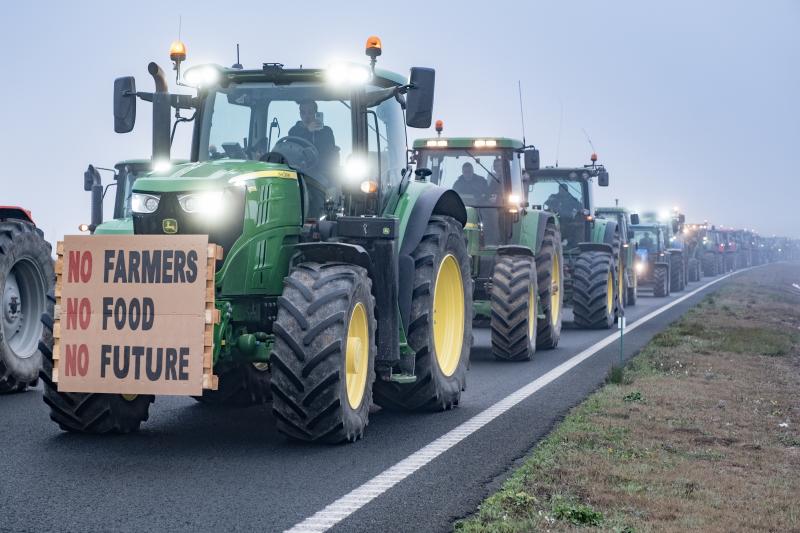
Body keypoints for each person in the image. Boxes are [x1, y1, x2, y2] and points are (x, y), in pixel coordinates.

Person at [288, 100, 338, 167]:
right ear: (300, 114)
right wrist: (307, 131)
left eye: (310, 112)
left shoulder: (327, 131)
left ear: (316, 113)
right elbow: (290, 152)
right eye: (303, 112)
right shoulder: (293, 131)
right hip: (300, 170)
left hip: (322, 172)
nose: (306, 116)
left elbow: (330, 154)